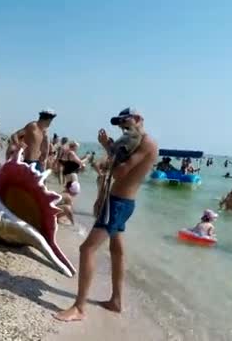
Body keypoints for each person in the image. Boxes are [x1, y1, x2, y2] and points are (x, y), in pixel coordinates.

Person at [55, 108, 157, 321]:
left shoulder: (146, 143)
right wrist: (109, 146)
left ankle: (80, 308)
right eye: (120, 125)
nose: (123, 127)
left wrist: (112, 155)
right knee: (117, 250)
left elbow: (120, 171)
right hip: (123, 202)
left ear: (139, 119)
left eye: (126, 123)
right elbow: (123, 162)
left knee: (87, 249)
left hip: (119, 204)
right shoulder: (137, 142)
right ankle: (116, 301)